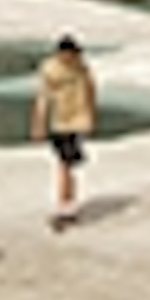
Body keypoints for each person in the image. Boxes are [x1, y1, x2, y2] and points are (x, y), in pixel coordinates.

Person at [31, 31, 98, 227]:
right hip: (59, 121)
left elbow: (90, 90)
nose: (69, 58)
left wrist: (91, 116)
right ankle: (66, 206)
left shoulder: (82, 68)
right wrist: (38, 123)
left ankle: (66, 206)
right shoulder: (50, 69)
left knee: (66, 164)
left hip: (77, 120)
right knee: (64, 164)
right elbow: (43, 97)